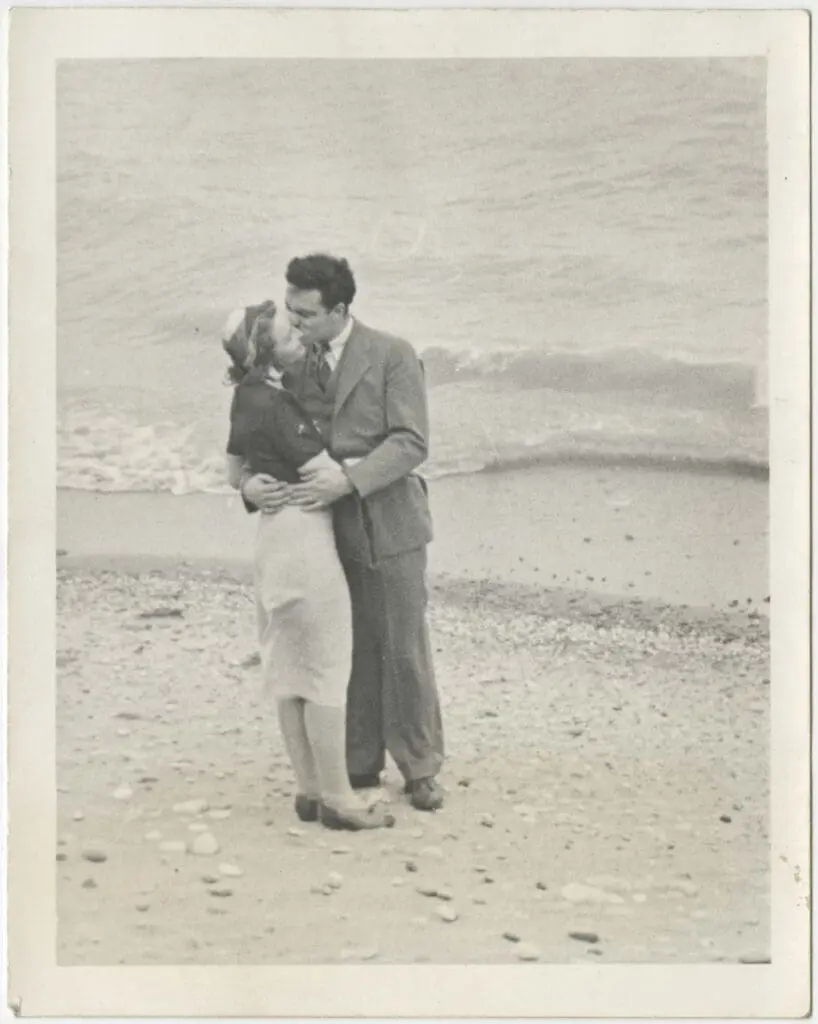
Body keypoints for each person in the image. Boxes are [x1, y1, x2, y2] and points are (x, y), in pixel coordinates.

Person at [242, 255, 445, 811]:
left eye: (305, 313)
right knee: (342, 646)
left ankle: (420, 766)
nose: (294, 321)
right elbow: (258, 439)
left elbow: (411, 441)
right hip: (320, 529)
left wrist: (349, 480)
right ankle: (358, 761)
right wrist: (249, 486)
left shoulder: (392, 353)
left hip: (389, 521)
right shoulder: (288, 362)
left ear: (339, 310)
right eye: (289, 310)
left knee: (403, 646)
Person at [222, 300, 394, 831]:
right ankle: (340, 798)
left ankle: (310, 789)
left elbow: (232, 469)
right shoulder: (280, 404)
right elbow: (323, 474)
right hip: (305, 543)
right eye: (288, 334)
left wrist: (251, 485)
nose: (299, 335)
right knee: (325, 670)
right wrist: (361, 466)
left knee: (289, 671)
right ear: (268, 355)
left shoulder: (245, 397)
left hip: (273, 540)